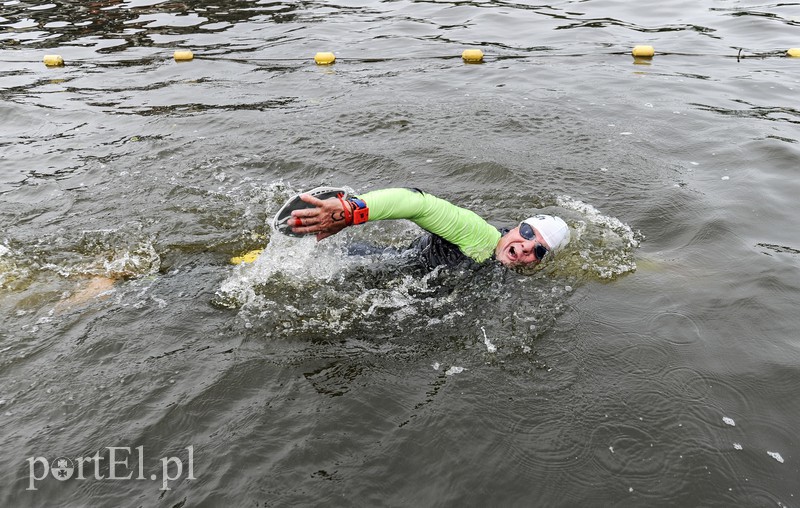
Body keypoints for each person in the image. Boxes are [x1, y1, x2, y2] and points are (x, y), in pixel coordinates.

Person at [287, 187, 570, 271]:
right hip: (369, 264)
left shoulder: (510, 274)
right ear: (514, 227)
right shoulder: (477, 234)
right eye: (529, 233)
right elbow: (416, 203)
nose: (525, 246)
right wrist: (350, 212)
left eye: (540, 251)